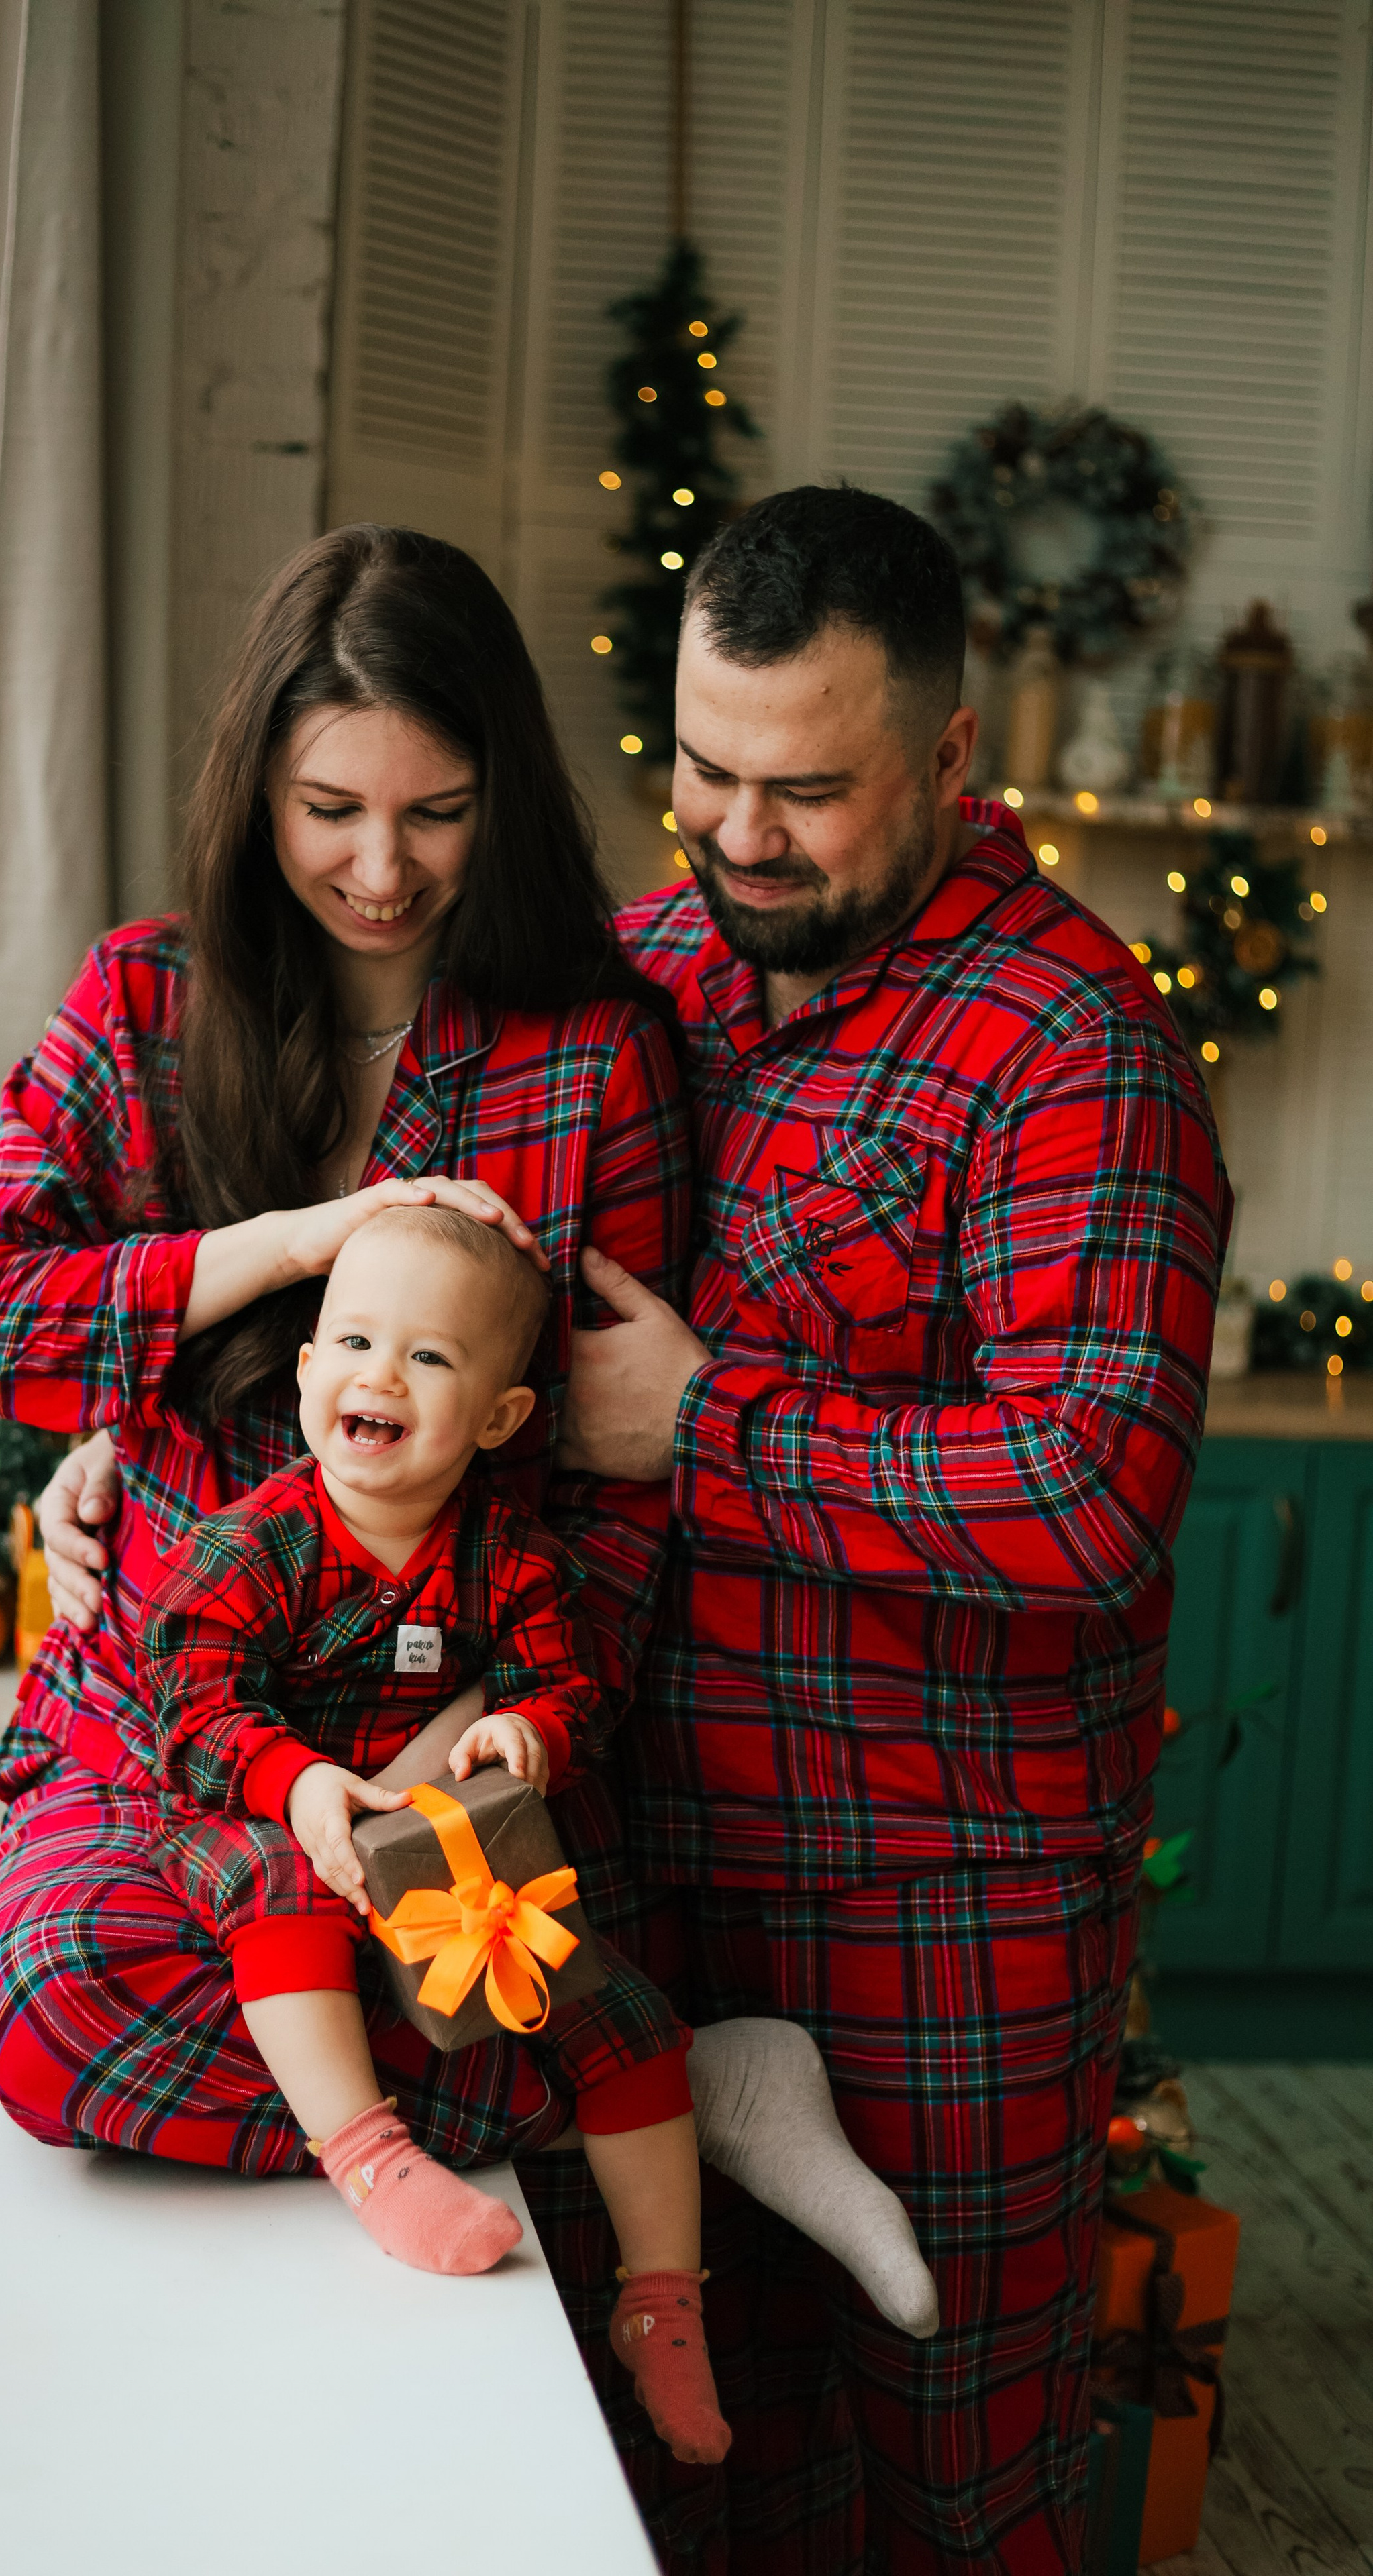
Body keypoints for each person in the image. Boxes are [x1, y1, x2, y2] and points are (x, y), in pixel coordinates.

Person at [554, 486, 1232, 2571]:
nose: (741, 835)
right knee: (693, 2461)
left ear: (949, 760)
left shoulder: (1077, 1049)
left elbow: (1086, 1491)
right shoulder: (645, 965)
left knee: (952, 2486)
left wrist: (709, 1422)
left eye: (809, 791)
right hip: (650, 1876)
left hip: (940, 1916)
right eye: (703, 770)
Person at [0, 523, 694, 2208]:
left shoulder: (595, 1060)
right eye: (328, 811)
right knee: (55, 2012)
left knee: (452, 1955)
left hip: (456, 1748)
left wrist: (500, 1732)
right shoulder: (142, 1001)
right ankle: (577, 2098)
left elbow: (627, 1491)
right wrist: (268, 1246)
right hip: (175, 1731)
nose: (383, 871)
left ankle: (470, 2087)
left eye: (437, 813)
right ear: (254, 790)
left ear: (507, 798)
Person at [140, 1202, 731, 2461]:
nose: (379, 1375)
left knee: (614, 2009)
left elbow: (574, 1689)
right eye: (353, 1341)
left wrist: (532, 1735)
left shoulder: (513, 1564)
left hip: (440, 1851)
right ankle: (374, 2162)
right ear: (306, 1374)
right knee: (280, 1886)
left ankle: (663, 2304)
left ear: (502, 1419)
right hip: (268, 1820)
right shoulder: (254, 1546)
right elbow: (189, 1705)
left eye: (429, 1357)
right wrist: (294, 1780)